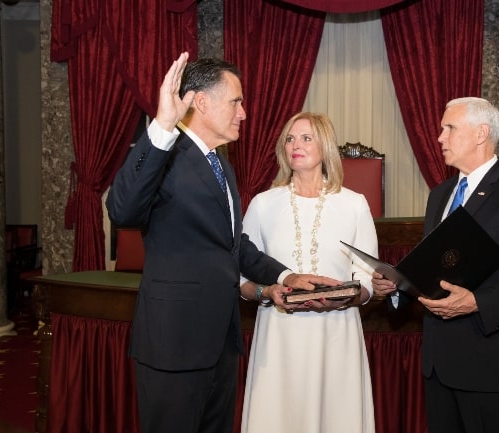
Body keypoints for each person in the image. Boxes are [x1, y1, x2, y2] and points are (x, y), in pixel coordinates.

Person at [106, 54, 337, 433]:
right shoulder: (166, 154)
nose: (243, 113)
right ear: (202, 102)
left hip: (221, 345)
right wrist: (162, 126)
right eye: (236, 102)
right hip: (174, 345)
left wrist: (287, 275)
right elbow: (123, 210)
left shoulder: (221, 165)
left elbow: (234, 246)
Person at [372, 97, 499, 433]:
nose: (440, 137)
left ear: (480, 134)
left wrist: (477, 302)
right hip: (440, 365)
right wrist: (397, 287)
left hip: (494, 367)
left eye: (450, 128)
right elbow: (436, 270)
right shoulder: (440, 195)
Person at [238, 112, 377, 433]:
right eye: (289, 138)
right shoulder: (262, 204)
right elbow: (242, 276)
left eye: (305, 138)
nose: (295, 145)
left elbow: (366, 280)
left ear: (325, 146)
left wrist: (344, 298)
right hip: (279, 336)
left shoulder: (355, 205)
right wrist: (266, 292)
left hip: (336, 333)